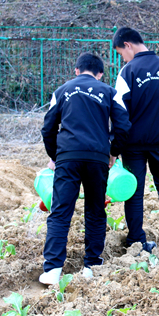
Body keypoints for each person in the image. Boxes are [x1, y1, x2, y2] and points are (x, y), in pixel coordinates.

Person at [39, 52, 131, 285]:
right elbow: (123, 127)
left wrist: (56, 155)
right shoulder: (110, 92)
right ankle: (91, 265)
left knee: (60, 211)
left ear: (76, 71)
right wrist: (113, 152)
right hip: (97, 158)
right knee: (95, 210)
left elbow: (48, 128)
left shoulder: (61, 91)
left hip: (68, 157)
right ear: (100, 74)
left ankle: (52, 270)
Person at [112, 27, 159, 253]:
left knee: (134, 191)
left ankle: (136, 241)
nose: (122, 58)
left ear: (128, 45)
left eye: (120, 53)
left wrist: (116, 146)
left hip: (133, 145)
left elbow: (119, 112)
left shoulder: (127, 72)